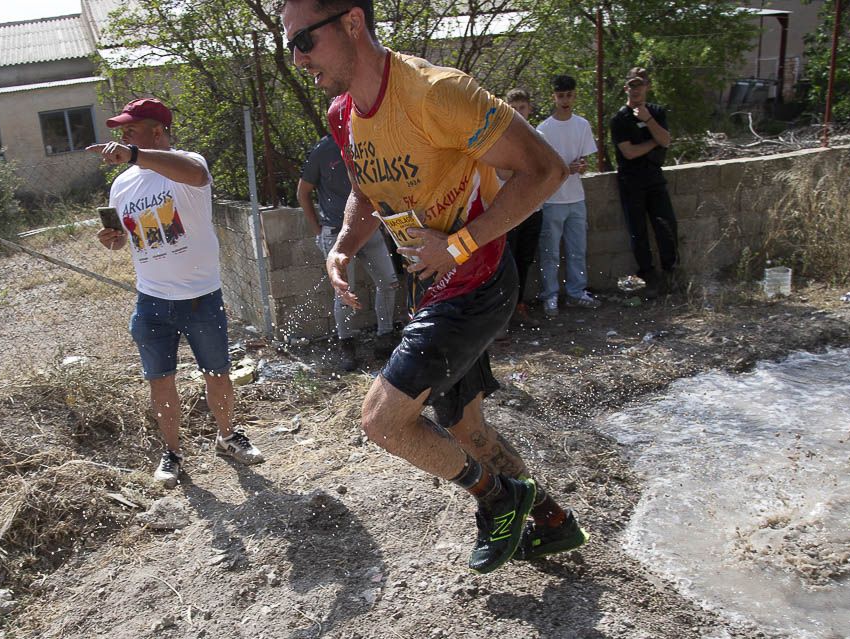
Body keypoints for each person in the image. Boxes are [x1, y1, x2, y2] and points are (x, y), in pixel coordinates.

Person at [279, 0, 589, 572]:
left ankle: (500, 498)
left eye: (304, 42)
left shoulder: (437, 93)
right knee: (465, 427)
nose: (297, 59)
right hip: (435, 283)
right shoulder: (343, 115)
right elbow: (367, 193)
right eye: (289, 45)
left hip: (478, 280)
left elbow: (543, 170)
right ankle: (549, 520)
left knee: (381, 421)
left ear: (351, 23)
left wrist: (458, 245)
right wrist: (344, 246)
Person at [90, 98, 263, 488]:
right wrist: (112, 240)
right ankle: (171, 453)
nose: (123, 135)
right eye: (122, 130)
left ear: (157, 130)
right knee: (160, 380)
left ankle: (227, 436)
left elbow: (197, 174)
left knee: (217, 372)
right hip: (151, 299)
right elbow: (125, 241)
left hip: (201, 296)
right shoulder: (122, 184)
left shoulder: (186, 164)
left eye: (131, 128)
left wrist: (134, 154)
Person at [298, 131, 400, 371]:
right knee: (344, 291)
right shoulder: (322, 150)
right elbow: (303, 192)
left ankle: (385, 336)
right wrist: (318, 232)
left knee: (389, 281)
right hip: (336, 233)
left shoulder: (367, 142)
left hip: (370, 228)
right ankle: (347, 344)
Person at [610, 67, 678, 296]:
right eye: (632, 85)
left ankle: (671, 272)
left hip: (654, 178)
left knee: (666, 225)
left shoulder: (656, 112)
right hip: (631, 180)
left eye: (640, 84)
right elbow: (628, 152)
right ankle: (647, 276)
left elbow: (666, 140)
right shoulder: (619, 119)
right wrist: (653, 143)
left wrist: (648, 120)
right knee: (638, 231)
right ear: (626, 88)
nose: (636, 89)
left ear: (647, 86)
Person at [535, 74, 600, 317]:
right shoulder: (543, 129)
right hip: (553, 199)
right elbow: (543, 167)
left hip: (576, 197)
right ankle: (550, 294)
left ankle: (576, 292)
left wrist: (581, 166)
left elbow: (585, 158)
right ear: (554, 97)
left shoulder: (582, 124)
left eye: (569, 95)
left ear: (574, 96)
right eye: (561, 96)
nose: (565, 100)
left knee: (577, 248)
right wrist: (566, 169)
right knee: (550, 251)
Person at [502, 88, 542, 328]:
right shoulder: (500, 137)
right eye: (514, 108)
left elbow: (545, 172)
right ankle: (504, 312)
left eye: (522, 108)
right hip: (508, 211)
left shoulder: (537, 135)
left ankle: (519, 305)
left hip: (534, 209)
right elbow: (504, 173)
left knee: (525, 259)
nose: (518, 112)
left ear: (529, 109)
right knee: (509, 263)